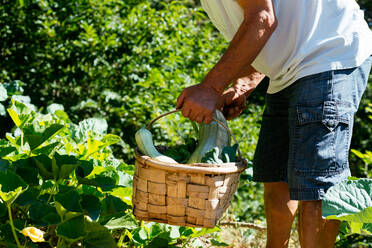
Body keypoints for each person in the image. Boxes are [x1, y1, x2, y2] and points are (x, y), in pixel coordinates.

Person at [176, 0, 372, 247]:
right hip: (287, 68)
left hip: (327, 52)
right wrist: (243, 83)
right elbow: (272, 21)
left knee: (316, 187)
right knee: (276, 177)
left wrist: (211, 87)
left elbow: (263, 18)